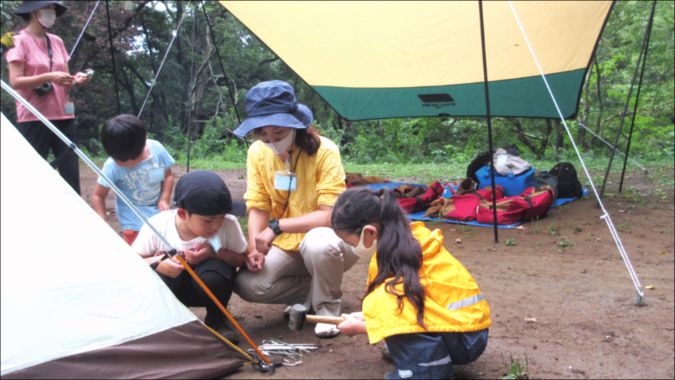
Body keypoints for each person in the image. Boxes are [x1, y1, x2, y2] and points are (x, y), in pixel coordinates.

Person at [232, 80, 358, 338]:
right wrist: (255, 246)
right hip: (286, 243)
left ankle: (327, 310)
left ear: (294, 125)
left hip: (334, 240)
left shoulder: (325, 151)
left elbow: (329, 215)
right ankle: (316, 290)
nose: (271, 141)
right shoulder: (257, 153)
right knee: (248, 283)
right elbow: (257, 204)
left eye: (278, 134)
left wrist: (276, 227)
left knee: (319, 242)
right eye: (263, 135)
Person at [332, 188, 492, 379]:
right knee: (385, 302)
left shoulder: (401, 254)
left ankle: (427, 372)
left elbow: (398, 306)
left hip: (466, 339)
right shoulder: (407, 240)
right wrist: (367, 316)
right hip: (468, 330)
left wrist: (360, 327)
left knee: (386, 299)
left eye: (348, 241)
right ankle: (422, 357)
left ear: (369, 232)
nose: (350, 247)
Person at [132, 170, 248, 341]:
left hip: (207, 287)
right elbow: (130, 263)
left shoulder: (229, 225)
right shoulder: (158, 226)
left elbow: (241, 259)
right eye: (208, 221)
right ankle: (169, 323)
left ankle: (217, 320)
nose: (216, 226)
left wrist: (213, 253)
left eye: (221, 217)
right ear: (182, 214)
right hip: (173, 289)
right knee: (158, 274)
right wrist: (158, 262)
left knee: (215, 272)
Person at [6, 1, 92, 194]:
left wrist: (76, 79)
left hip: (64, 115)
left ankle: (75, 215)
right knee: (33, 173)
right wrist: (49, 76)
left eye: (54, 10)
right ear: (35, 12)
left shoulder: (57, 40)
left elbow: (66, 79)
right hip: (34, 117)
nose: (52, 14)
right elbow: (15, 81)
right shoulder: (16, 40)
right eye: (48, 10)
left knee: (70, 171)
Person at [91, 114, 175, 245]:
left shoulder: (157, 149)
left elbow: (168, 176)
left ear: (144, 140)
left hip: (158, 214)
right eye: (122, 160)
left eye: (134, 157)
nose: (129, 163)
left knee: (161, 247)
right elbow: (98, 195)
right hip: (132, 220)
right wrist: (103, 219)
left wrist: (164, 198)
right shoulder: (111, 167)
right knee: (138, 253)